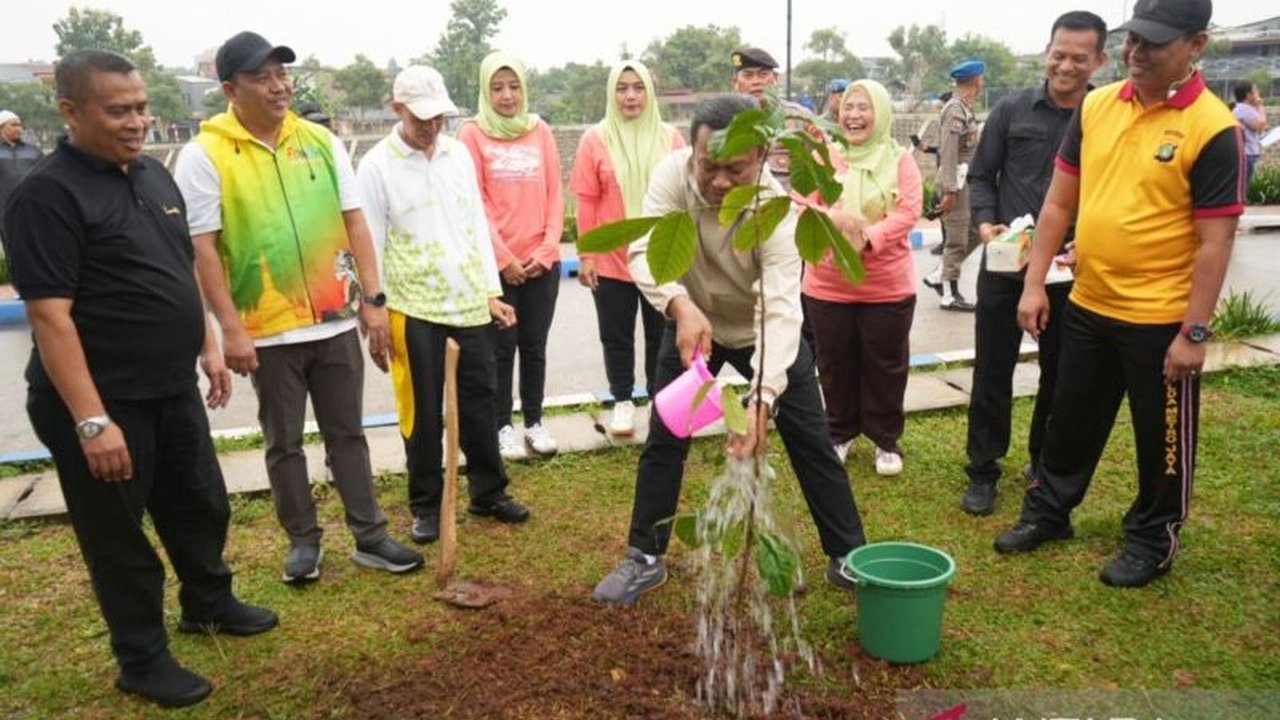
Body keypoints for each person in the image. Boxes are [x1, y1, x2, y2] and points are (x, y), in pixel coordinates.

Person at [2, 50, 277, 708]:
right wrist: (92, 421)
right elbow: (49, 316)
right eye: (117, 110)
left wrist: (208, 344)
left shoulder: (154, 175)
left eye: (142, 107)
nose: (137, 121)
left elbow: (179, 267)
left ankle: (208, 602)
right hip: (103, 400)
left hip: (171, 386)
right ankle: (142, 657)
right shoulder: (47, 195)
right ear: (70, 112)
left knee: (199, 503)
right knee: (119, 536)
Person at [996, 0, 1243, 589]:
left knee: (1162, 439)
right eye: (1133, 40)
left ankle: (1153, 536)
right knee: (1068, 421)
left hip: (1162, 320)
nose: (1136, 54)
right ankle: (1049, 512)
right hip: (1088, 303)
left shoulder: (1213, 129)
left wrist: (1194, 333)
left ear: (1196, 45)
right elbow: (1059, 202)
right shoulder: (1098, 106)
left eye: (1154, 44)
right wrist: (1034, 283)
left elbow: (1217, 242)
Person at [592, 94, 869, 607]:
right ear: (692, 154)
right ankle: (643, 557)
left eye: (734, 169)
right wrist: (678, 304)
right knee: (666, 438)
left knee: (810, 437)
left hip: (760, 331)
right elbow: (643, 253)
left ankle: (849, 555)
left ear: (762, 159)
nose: (719, 181)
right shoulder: (672, 177)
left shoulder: (776, 212)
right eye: (708, 166)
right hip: (693, 328)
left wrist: (762, 399)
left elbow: (782, 309)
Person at [174, 31, 423, 585]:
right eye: (262, 78)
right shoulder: (204, 154)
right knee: (283, 441)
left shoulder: (319, 141)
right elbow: (203, 248)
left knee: (348, 433)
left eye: (282, 75)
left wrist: (373, 302)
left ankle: (371, 534)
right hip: (266, 329)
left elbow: (355, 222)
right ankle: (303, 543)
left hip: (335, 317)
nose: (278, 86)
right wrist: (230, 330)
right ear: (229, 89)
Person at [357, 65, 531, 544]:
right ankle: (426, 505)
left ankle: (488, 491)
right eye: (420, 119)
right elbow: (367, 241)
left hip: (468, 302)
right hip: (412, 306)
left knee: (481, 399)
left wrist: (489, 291)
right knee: (423, 410)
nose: (431, 127)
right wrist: (372, 309)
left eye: (438, 118)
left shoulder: (457, 155)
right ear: (397, 110)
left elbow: (474, 224)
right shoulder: (376, 166)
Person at [959, 11, 1109, 517]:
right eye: (1058, 54)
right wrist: (985, 225)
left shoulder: (1104, 116)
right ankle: (982, 471)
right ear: (1047, 51)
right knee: (992, 369)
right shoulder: (1010, 109)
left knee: (1062, 372)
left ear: (1100, 61)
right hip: (1007, 260)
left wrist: (1089, 240)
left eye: (1078, 58)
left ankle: (1043, 463)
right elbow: (981, 177)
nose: (1065, 66)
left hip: (1072, 266)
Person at [802, 79, 923, 476]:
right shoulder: (824, 155)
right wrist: (833, 222)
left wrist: (867, 239)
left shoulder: (900, 159)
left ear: (882, 113)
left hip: (886, 285)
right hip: (827, 284)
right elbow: (804, 202)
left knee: (885, 365)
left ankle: (885, 440)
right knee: (834, 362)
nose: (854, 116)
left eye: (864, 107)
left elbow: (908, 212)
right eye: (848, 107)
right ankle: (839, 432)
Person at [458, 51, 564, 460]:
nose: (507, 96)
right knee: (499, 350)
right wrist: (503, 258)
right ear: (486, 90)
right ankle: (501, 425)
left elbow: (556, 193)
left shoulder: (540, 131)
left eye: (514, 86)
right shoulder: (472, 134)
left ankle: (534, 421)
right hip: (497, 265)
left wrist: (548, 249)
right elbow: (475, 201)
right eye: (498, 87)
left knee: (534, 346)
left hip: (541, 263)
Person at [570, 60, 685, 437]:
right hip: (611, 257)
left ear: (649, 93)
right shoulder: (595, 138)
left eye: (638, 87)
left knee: (661, 335)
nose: (631, 95)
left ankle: (658, 400)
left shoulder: (671, 138)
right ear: (612, 94)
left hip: (660, 257)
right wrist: (586, 254)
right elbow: (586, 201)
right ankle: (621, 401)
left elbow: (684, 197)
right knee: (616, 335)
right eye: (622, 88)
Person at [923, 60, 986, 310]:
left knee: (974, 232)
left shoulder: (965, 109)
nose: (983, 83)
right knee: (957, 238)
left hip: (965, 182)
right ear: (975, 81)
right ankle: (949, 293)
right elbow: (949, 153)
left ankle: (940, 273)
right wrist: (949, 190)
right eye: (982, 79)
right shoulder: (955, 111)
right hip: (956, 184)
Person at [730, 46, 810, 190]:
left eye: (763, 74)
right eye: (748, 76)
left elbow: (824, 163)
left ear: (775, 79)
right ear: (735, 82)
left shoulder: (799, 118)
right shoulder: (725, 120)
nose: (756, 82)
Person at [0, 110, 44, 227]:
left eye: (20, 125)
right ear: (1, 128)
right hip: (4, 209)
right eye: (13, 125)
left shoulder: (34, 151)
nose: (19, 128)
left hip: (33, 208)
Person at [1232, 82, 1267, 188]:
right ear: (1248, 95)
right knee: (1243, 187)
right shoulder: (1243, 110)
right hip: (1247, 154)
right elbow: (1260, 125)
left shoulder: (1246, 109)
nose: (1258, 94)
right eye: (1255, 91)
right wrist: (1260, 106)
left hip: (1249, 153)